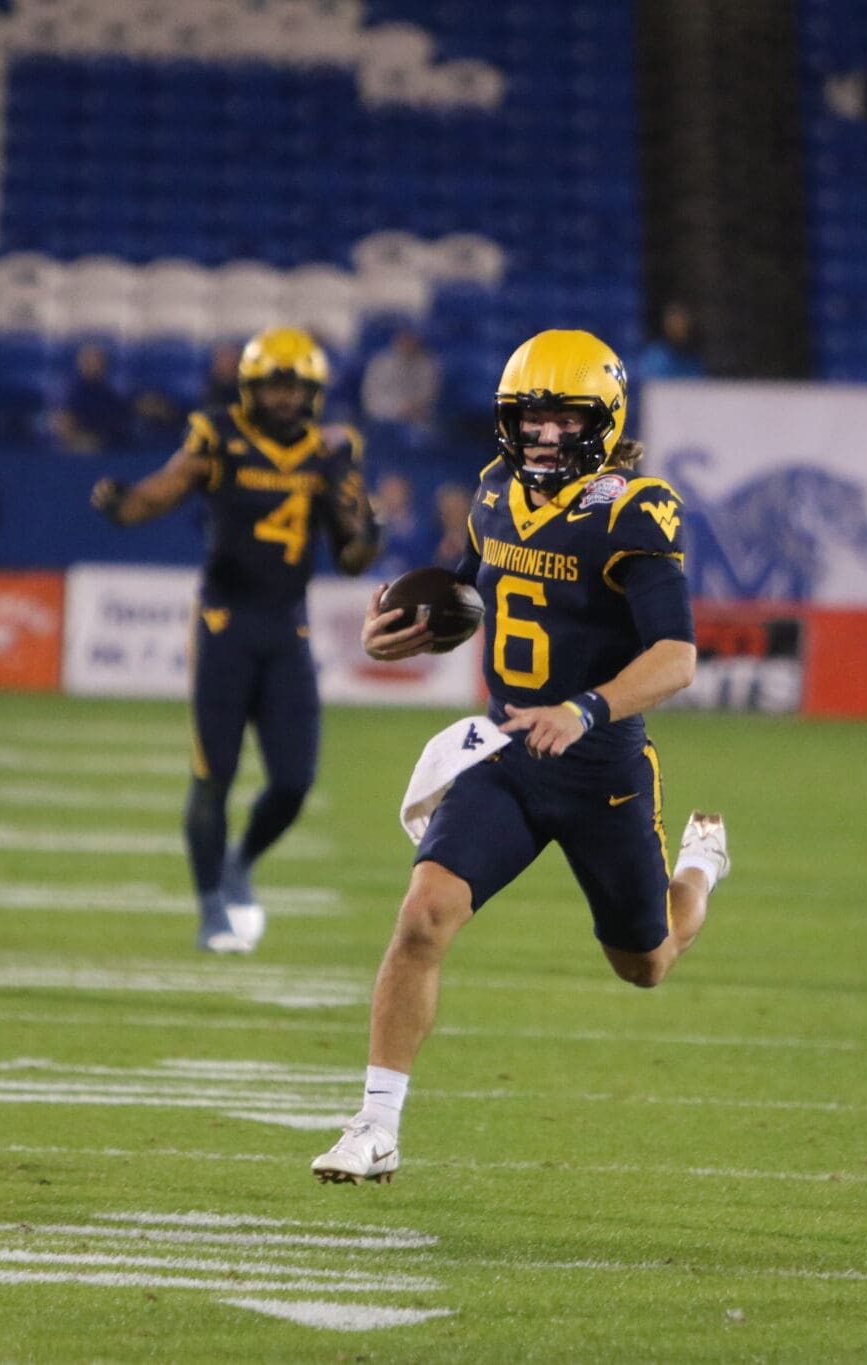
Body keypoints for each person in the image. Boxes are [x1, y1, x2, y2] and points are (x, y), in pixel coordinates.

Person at [311, 329, 732, 1185]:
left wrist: (587, 707)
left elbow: (677, 658)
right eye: (529, 417)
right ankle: (375, 1125)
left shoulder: (636, 509)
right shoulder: (496, 491)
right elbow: (469, 595)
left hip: (601, 765)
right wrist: (408, 632)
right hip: (504, 750)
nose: (541, 434)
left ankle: (700, 868)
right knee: (423, 914)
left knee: (645, 960)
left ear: (604, 421)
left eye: (561, 418)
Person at [91, 327, 381, 953]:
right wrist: (126, 504)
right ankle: (210, 911)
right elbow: (163, 491)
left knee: (295, 780)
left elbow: (353, 557)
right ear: (250, 388)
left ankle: (240, 862)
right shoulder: (218, 435)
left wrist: (365, 524)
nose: (284, 397)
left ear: (314, 392)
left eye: (295, 386)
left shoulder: (331, 451)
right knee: (212, 775)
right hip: (224, 626)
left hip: (287, 628)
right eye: (274, 384)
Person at [50, 344, 133, 453]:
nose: (100, 367)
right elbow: (62, 426)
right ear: (83, 364)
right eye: (95, 363)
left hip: (102, 444)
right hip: (68, 451)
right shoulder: (69, 389)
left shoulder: (104, 389)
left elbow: (120, 415)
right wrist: (83, 441)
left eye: (103, 364)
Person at [359, 327, 442, 433]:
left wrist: (414, 409)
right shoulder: (380, 364)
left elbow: (429, 398)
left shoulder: (427, 365)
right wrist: (397, 410)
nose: (409, 343)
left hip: (418, 424)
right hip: (384, 421)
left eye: (412, 338)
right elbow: (370, 401)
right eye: (405, 337)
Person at [634, 301, 705, 380]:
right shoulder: (654, 356)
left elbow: (699, 387)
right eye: (674, 322)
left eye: (681, 323)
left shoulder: (693, 360)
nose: (678, 328)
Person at [429, 480, 472, 570]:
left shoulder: (482, 542)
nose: (455, 515)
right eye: (450, 510)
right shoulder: (430, 542)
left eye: (458, 508)